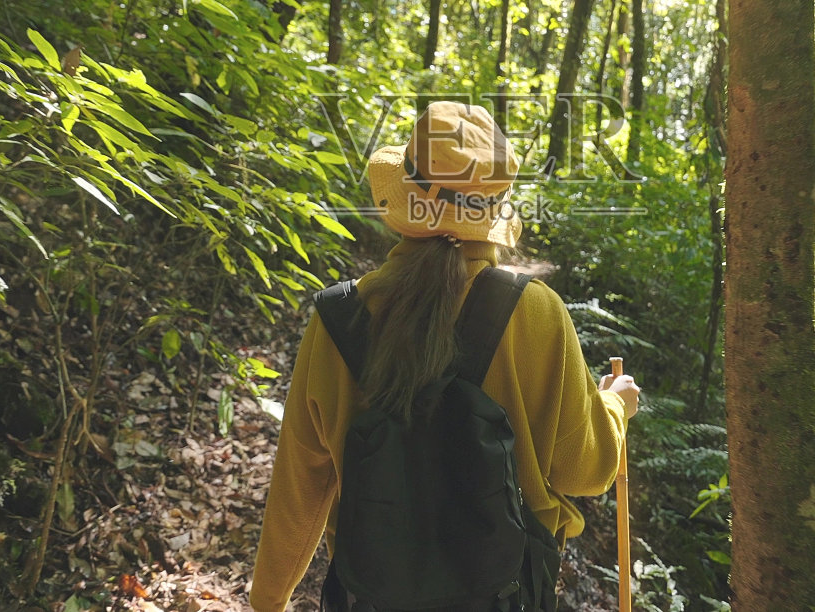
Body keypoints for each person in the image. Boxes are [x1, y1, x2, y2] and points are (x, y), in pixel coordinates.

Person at [249, 101, 641, 612]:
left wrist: (268, 600)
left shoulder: (338, 319)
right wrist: (615, 408)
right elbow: (584, 470)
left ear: (405, 201)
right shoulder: (536, 314)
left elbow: (300, 487)